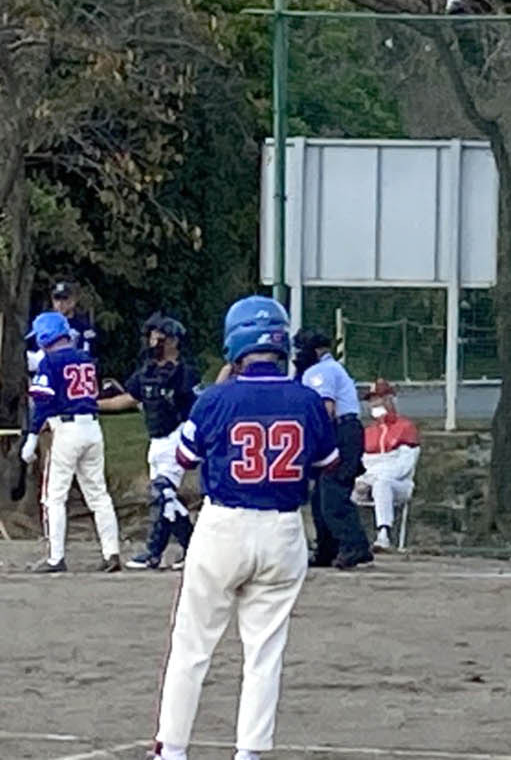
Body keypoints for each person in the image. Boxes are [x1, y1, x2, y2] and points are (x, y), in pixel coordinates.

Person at [150, 295, 340, 760]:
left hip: (224, 525)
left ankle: (172, 749)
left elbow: (184, 458)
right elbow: (328, 463)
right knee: (264, 652)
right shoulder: (308, 399)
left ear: (235, 344)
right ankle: (250, 753)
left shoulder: (217, 398)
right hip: (283, 530)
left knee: (192, 644)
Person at [21, 311, 121, 573]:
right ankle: (111, 552)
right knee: (98, 494)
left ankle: (56, 557)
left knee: (54, 496)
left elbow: (42, 404)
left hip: (67, 429)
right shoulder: (85, 358)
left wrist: (31, 437)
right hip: (92, 427)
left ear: (45, 337)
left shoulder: (50, 362)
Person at [99, 314, 199, 570]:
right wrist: (92, 405)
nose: (154, 342)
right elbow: (129, 398)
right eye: (152, 336)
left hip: (177, 435)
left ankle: (192, 548)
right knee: (161, 499)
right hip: (156, 440)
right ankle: (155, 553)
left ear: (173, 341)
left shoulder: (185, 373)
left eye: (160, 337)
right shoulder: (147, 372)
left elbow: (198, 404)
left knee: (164, 494)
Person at [294, 329, 373, 569]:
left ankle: (355, 546)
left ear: (316, 350)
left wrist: (315, 443)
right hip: (344, 430)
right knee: (320, 497)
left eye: (301, 349)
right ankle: (327, 549)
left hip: (339, 431)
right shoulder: (327, 369)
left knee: (333, 493)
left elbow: (325, 409)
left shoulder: (321, 371)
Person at [356, 378, 421, 551]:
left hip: (399, 485)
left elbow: (403, 467)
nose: (374, 404)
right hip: (367, 482)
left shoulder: (406, 427)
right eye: (371, 400)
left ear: (390, 399)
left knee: (382, 483)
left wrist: (371, 476)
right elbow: (362, 463)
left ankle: (383, 534)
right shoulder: (368, 432)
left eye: (378, 398)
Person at [49, 280, 99, 356]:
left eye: (65, 298)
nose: (60, 303)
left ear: (73, 301)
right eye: (57, 298)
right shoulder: (45, 328)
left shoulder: (84, 329)